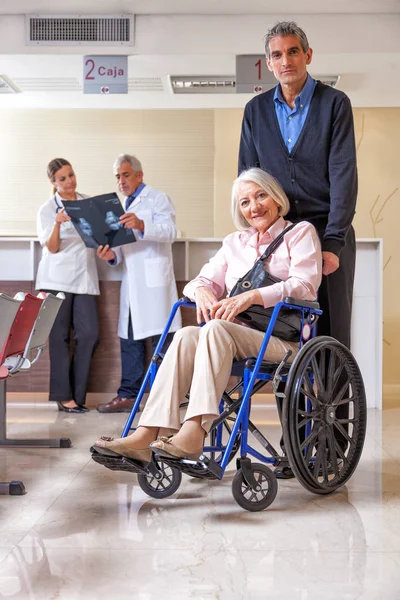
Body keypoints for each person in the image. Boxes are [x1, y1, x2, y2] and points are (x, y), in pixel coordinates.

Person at [92, 168, 322, 464]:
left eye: (261, 195)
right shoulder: (234, 243)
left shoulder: (300, 233)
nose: (254, 207)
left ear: (276, 198)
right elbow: (199, 281)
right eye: (244, 202)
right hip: (236, 337)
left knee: (214, 328)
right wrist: (200, 290)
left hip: (285, 341)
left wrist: (252, 296)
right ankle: (147, 431)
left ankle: (194, 431)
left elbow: (305, 285)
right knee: (187, 334)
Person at [238, 20, 357, 350]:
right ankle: (295, 404)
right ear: (269, 64)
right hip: (279, 237)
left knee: (330, 335)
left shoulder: (334, 104)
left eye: (293, 52)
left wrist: (333, 243)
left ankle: (336, 404)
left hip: (325, 232)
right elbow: (248, 180)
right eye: (277, 55)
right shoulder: (255, 111)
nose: (286, 61)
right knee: (287, 334)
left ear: (308, 55)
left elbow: (344, 176)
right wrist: (255, 240)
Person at [96, 154, 181, 413]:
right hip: (132, 285)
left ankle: (163, 398)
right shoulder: (121, 205)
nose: (121, 181)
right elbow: (122, 248)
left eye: (126, 175)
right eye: (118, 176)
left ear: (139, 175)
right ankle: (128, 396)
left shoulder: (157, 198)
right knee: (129, 340)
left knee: (160, 342)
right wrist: (111, 256)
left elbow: (170, 232)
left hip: (154, 286)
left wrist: (143, 223)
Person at [36, 158, 99, 413]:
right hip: (56, 280)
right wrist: (58, 223)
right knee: (59, 338)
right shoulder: (46, 209)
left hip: (84, 278)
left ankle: (78, 393)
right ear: (53, 182)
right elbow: (51, 247)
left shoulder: (88, 203)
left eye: (71, 175)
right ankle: (65, 397)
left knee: (89, 334)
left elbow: (98, 236)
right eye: (62, 178)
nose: (70, 181)